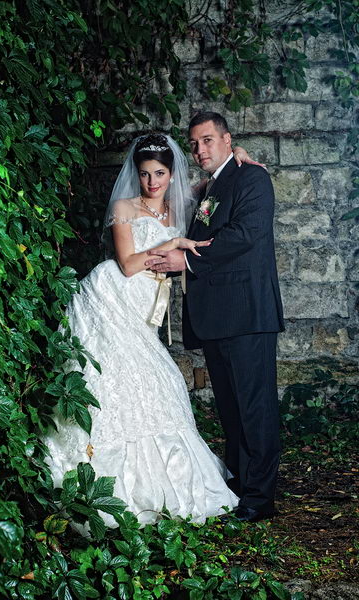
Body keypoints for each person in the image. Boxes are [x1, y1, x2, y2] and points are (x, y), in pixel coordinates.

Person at [43, 132, 259, 528]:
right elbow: (127, 264)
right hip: (112, 298)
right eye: (145, 174)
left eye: (160, 173)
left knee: (153, 386)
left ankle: (163, 484)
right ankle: (97, 476)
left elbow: (217, 179)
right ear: (136, 174)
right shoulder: (124, 207)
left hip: (145, 312)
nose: (152, 182)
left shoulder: (183, 206)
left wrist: (238, 152)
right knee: (117, 383)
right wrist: (173, 242)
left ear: (172, 175)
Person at [145, 113, 285, 522]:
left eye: (208, 140)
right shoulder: (214, 184)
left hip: (247, 314)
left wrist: (185, 260)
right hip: (218, 316)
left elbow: (244, 234)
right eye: (194, 143)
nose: (199, 150)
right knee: (232, 409)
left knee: (255, 408)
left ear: (227, 139)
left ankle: (260, 499)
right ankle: (240, 486)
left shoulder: (252, 178)